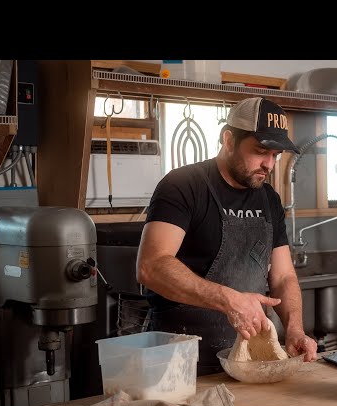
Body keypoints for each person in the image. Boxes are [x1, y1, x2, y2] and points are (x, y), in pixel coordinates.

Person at [136, 96, 318, 376]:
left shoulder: (269, 199)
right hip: (180, 358)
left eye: (275, 155)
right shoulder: (182, 186)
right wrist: (229, 300)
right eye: (260, 151)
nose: (268, 164)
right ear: (229, 140)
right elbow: (151, 266)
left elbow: (282, 277)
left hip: (248, 363)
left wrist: (294, 329)